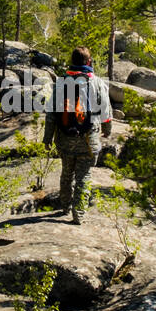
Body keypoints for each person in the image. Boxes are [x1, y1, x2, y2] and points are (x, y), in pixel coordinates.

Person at [43, 47, 112, 224]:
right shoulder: (96, 82)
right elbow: (105, 111)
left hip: (65, 139)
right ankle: (78, 213)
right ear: (88, 62)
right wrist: (107, 131)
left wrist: (47, 139)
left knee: (66, 174)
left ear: (72, 61)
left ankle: (65, 207)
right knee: (84, 176)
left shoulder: (61, 83)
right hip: (89, 139)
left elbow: (51, 114)